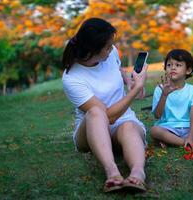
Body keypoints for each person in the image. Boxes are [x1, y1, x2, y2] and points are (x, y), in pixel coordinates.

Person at [62, 18, 147, 193]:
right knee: (95, 112)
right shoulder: (72, 78)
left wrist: (128, 81)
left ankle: (138, 174)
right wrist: (136, 90)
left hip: (123, 122)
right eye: (108, 47)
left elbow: (117, 67)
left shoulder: (111, 53)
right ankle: (112, 172)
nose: (112, 49)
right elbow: (107, 116)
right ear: (92, 50)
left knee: (129, 126)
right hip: (91, 129)